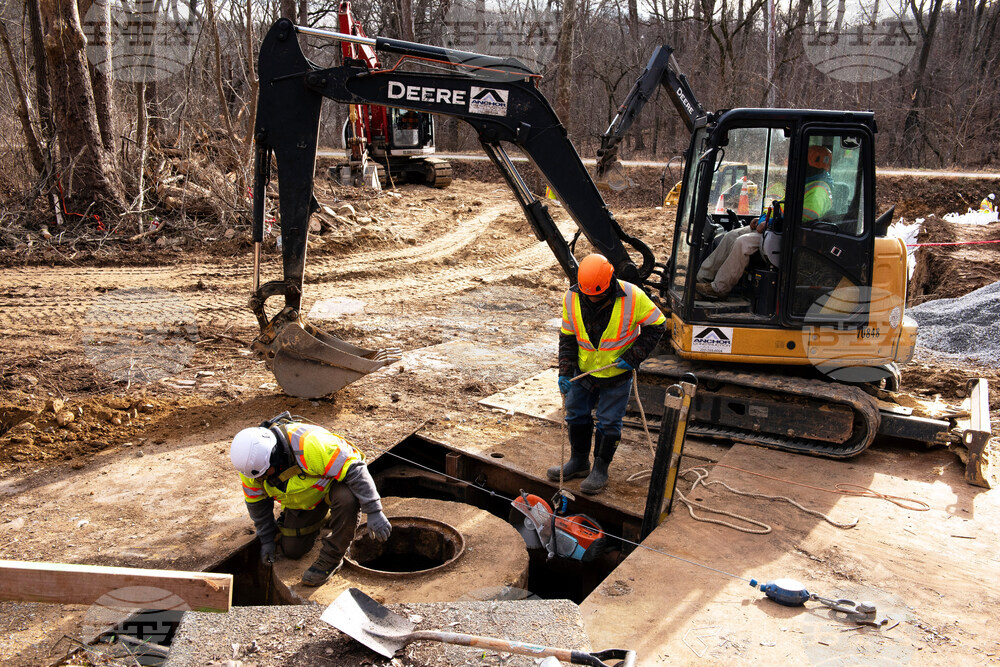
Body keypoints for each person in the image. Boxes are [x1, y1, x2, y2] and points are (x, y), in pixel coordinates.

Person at [230, 412, 391, 587]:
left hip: (332, 489)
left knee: (347, 499)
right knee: (292, 550)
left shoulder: (310, 444)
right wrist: (267, 539)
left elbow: (355, 470)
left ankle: (332, 559)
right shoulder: (252, 468)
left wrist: (374, 511)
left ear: (274, 456)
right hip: (306, 501)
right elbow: (257, 506)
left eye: (265, 472)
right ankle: (327, 516)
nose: (261, 479)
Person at [550, 254, 666, 495]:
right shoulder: (573, 297)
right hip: (584, 373)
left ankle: (600, 470)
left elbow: (657, 325)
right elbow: (568, 336)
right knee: (576, 414)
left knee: (609, 421)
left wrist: (633, 357)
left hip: (616, 376)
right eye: (587, 294)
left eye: (597, 294)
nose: (591, 298)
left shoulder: (633, 295)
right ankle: (579, 462)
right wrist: (564, 371)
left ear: (610, 281)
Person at [696, 145, 833, 300]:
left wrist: (769, 224)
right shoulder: (805, 185)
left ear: (811, 166)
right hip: (773, 229)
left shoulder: (819, 190)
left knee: (743, 243)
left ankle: (719, 288)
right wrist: (761, 220)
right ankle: (702, 279)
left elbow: (803, 216)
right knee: (731, 236)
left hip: (787, 236)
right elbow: (778, 208)